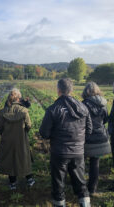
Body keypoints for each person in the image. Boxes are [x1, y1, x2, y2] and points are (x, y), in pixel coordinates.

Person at [40, 78, 92, 207]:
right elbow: (89, 130)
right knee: (81, 181)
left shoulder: (53, 109)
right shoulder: (83, 107)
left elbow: (44, 133)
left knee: (58, 183)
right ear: (71, 90)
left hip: (60, 152)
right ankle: (85, 203)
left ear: (58, 90)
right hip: (78, 151)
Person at [0, 88, 35, 190]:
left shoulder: (4, 111)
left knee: (10, 160)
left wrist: (5, 134)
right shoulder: (23, 111)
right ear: (19, 98)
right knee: (24, 158)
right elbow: (29, 125)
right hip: (21, 139)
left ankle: (12, 183)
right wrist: (23, 133)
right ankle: (30, 180)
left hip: (7, 140)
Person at [82, 82, 111, 196]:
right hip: (100, 138)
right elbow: (105, 119)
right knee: (95, 164)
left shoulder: (83, 104)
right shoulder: (104, 104)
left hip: (87, 138)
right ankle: (92, 189)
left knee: (81, 163)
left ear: (86, 92)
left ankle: (81, 188)